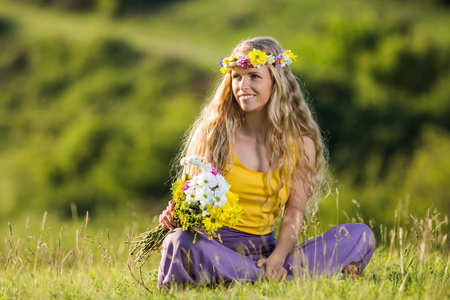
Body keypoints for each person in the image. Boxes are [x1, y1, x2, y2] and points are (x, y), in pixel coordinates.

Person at [157, 36, 375, 288]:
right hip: (215, 250)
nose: (242, 85)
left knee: (359, 235)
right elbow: (191, 196)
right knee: (178, 242)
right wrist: (176, 212)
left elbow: (294, 211)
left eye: (254, 76)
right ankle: (273, 280)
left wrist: (277, 259)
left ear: (276, 81)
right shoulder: (213, 133)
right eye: (236, 76)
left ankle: (260, 275)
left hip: (267, 254)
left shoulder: (301, 143)